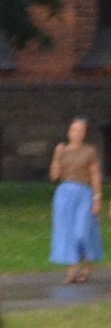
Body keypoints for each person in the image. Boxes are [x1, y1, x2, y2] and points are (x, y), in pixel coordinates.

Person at [48, 117, 103, 284]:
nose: (77, 133)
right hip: (65, 193)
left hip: (84, 193)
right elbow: (54, 176)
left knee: (82, 231)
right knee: (67, 232)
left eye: (81, 130)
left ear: (84, 133)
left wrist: (97, 198)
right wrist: (57, 156)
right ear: (69, 132)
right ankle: (72, 271)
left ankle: (87, 266)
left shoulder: (89, 151)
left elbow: (95, 174)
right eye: (74, 130)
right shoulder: (62, 150)